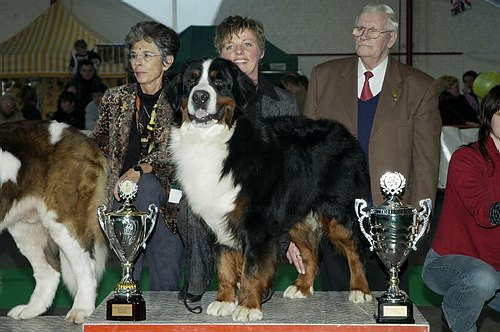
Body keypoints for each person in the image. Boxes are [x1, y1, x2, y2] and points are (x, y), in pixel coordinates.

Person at [299, 3, 442, 292]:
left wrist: (416, 217)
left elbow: (425, 160)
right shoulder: (323, 77)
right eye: (358, 28)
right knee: (336, 302)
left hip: (389, 218)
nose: (363, 35)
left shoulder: (420, 87)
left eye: (372, 30)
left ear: (390, 39)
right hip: (334, 212)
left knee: (385, 300)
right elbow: (308, 154)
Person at [177, 15, 300, 303]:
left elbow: (294, 170)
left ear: (262, 52)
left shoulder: (283, 103)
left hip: (268, 201)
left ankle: (255, 280)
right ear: (220, 55)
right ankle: (197, 283)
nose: (240, 52)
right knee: (188, 205)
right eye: (231, 47)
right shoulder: (203, 99)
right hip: (214, 191)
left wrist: (295, 230)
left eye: (248, 44)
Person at [91, 21, 183, 291]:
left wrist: (141, 169)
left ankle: (163, 322)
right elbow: (98, 144)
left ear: (167, 61)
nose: (137, 63)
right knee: (127, 269)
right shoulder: (115, 98)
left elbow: (179, 149)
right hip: (121, 198)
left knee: (165, 274)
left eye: (146, 55)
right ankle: (127, 300)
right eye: (133, 55)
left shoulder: (181, 98)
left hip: (169, 198)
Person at [422, 85, 500, 332]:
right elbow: (485, 212)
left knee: (487, 277)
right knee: (482, 278)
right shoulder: (466, 159)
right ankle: (455, 315)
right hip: (451, 263)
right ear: (487, 118)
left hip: (496, 268)